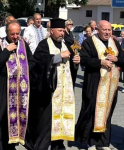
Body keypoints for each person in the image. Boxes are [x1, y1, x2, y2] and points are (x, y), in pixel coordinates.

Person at [27, 18, 80, 150]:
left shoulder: (66, 44)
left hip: (64, 92)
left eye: (63, 31)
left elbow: (71, 68)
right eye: (60, 30)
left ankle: (58, 146)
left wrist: (76, 62)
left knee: (61, 121)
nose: (62, 33)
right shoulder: (44, 45)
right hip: (49, 92)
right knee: (47, 123)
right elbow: (36, 64)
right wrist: (57, 57)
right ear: (51, 31)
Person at [75, 20, 124, 150]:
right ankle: (90, 142)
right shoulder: (89, 42)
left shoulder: (114, 42)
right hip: (94, 83)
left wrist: (117, 59)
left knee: (107, 112)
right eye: (105, 30)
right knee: (92, 111)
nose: (107, 33)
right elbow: (84, 59)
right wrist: (100, 62)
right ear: (98, 29)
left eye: (109, 30)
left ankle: (103, 142)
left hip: (111, 85)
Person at [0, 22, 33, 150]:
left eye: (17, 33)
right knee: (1, 116)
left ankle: (12, 142)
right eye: (13, 34)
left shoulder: (23, 44)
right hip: (4, 87)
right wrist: (7, 51)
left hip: (21, 89)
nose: (16, 36)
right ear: (7, 33)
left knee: (17, 116)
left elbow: (31, 62)